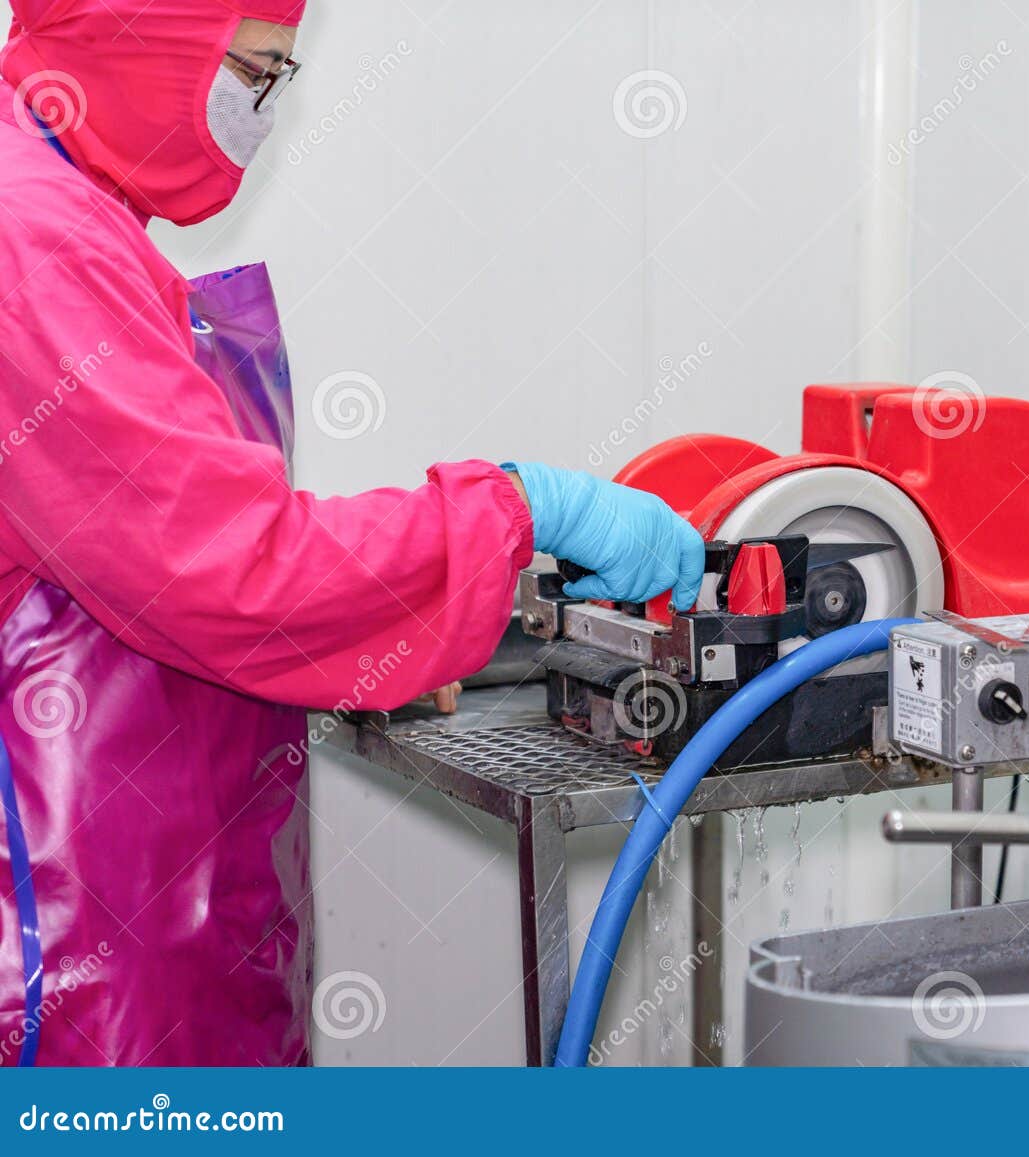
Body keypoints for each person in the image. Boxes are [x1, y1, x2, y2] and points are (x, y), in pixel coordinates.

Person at [0, 0, 704, 1065]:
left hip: (164, 886)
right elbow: (230, 566)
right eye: (258, 71)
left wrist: (388, 631)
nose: (264, 112)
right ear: (145, 33)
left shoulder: (79, 218)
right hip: (80, 932)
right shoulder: (34, 241)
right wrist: (517, 508)